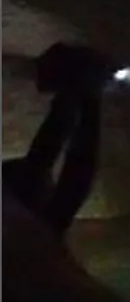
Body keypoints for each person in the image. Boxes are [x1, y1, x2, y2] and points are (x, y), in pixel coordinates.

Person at [2, 41, 114, 236]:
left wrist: (86, 100)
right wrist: (88, 101)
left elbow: (69, 179)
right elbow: (74, 179)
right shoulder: (28, 235)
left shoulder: (25, 230)